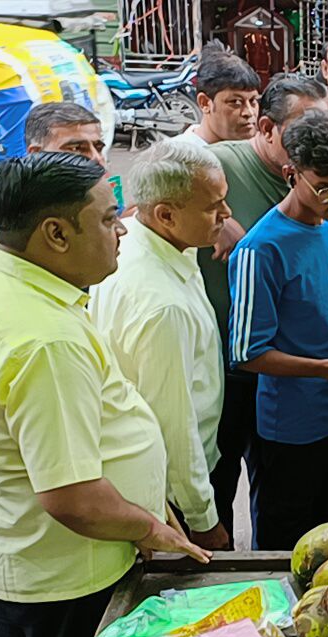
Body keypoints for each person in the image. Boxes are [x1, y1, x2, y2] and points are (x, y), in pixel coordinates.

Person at [0, 152, 210, 637]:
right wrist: (151, 527)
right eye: (107, 218)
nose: (123, 228)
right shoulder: (43, 340)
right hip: (66, 576)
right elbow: (72, 497)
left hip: (17, 554)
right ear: (55, 232)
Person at [229, 112, 328, 549]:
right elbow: (247, 351)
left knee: (318, 533)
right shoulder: (261, 248)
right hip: (286, 429)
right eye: (326, 187)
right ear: (290, 174)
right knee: (282, 542)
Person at [202, 73, 328, 540]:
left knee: (278, 494)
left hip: (285, 376)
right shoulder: (216, 164)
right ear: (267, 129)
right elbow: (144, 211)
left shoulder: (319, 182)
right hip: (223, 366)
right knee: (215, 491)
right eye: (299, 130)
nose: (310, 142)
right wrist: (222, 218)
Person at [89, 141, 231, 549]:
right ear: (166, 214)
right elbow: (175, 425)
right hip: (173, 492)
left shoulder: (146, 241)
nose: (227, 215)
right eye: (213, 207)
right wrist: (203, 519)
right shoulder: (161, 306)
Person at [0, 101, 105, 281]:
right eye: (75, 149)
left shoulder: (110, 214)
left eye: (98, 148)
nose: (96, 159)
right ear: (36, 154)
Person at [178, 40, 261, 146]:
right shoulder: (178, 155)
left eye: (253, 101)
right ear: (205, 103)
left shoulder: (258, 151)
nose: (249, 112)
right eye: (236, 102)